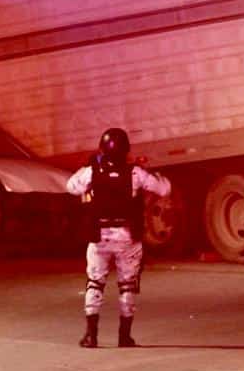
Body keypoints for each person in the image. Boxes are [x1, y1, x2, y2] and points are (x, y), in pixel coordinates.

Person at [66, 128, 171, 348]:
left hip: (99, 236)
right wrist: (147, 168)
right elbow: (164, 188)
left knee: (95, 283)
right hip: (127, 237)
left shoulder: (91, 171)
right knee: (127, 285)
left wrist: (90, 165)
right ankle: (125, 336)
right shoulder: (135, 173)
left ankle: (91, 335)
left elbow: (71, 186)